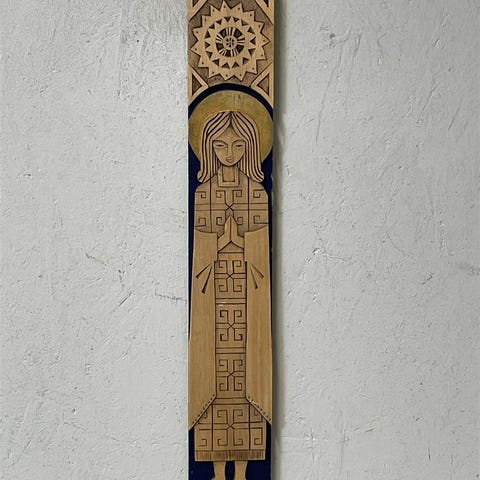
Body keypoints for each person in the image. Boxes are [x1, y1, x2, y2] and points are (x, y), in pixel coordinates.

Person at [189, 110, 272, 480]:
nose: (229, 153)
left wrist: (239, 240)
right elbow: (201, 253)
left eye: (238, 145)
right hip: (214, 300)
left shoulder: (256, 192)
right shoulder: (203, 193)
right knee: (215, 384)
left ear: (250, 148)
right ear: (208, 148)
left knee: (245, 380)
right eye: (220, 145)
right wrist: (221, 242)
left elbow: (260, 248)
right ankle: (217, 472)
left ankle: (242, 473)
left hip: (248, 301)